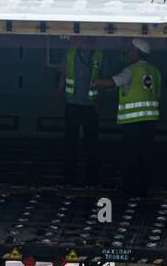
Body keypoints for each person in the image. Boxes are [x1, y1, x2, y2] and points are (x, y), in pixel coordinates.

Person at [95, 38, 161, 196]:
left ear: (136, 52)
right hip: (150, 121)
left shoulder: (131, 70)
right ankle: (146, 186)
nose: (127, 53)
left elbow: (115, 81)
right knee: (146, 153)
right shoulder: (155, 71)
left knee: (130, 154)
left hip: (133, 122)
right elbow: (157, 94)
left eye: (129, 50)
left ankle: (129, 187)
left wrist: (97, 82)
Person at [56, 36, 104, 185]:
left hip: (90, 106)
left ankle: (92, 179)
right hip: (72, 104)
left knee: (91, 144)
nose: (87, 42)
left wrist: (99, 101)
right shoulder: (70, 54)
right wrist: (58, 95)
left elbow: (102, 80)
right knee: (70, 142)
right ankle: (69, 178)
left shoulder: (99, 55)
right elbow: (63, 76)